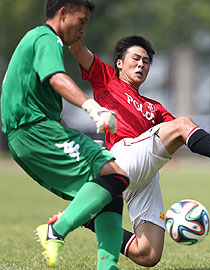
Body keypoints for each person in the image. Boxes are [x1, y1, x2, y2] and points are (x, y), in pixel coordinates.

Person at [49, 35, 210, 267]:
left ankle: (89, 218)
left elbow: (188, 134)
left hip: (143, 174)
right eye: (135, 58)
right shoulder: (105, 78)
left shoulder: (154, 107)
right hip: (121, 158)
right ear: (119, 63)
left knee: (148, 254)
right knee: (182, 123)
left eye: (146, 62)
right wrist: (72, 28)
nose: (141, 65)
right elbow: (78, 48)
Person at [0, 1, 130, 269]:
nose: (83, 30)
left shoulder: (37, 40)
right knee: (116, 176)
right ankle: (56, 230)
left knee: (110, 180)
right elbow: (56, 78)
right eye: (80, 21)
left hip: (33, 133)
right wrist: (92, 107)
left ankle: (108, 266)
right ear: (63, 14)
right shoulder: (46, 38)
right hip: (35, 131)